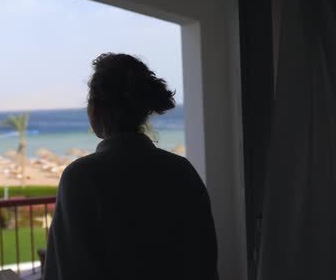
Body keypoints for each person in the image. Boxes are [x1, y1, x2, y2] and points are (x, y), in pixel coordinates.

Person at [44, 53, 218, 280]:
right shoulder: (181, 170)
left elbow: (69, 269)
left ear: (96, 108)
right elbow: (204, 260)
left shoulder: (81, 177)